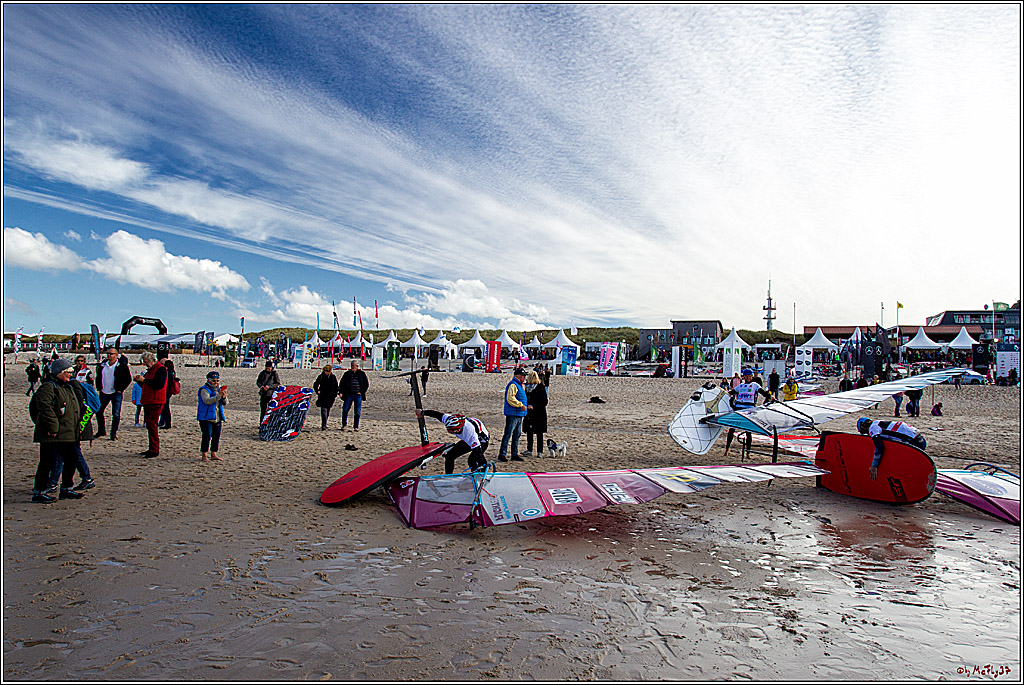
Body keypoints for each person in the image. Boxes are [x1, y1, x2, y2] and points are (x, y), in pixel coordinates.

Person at [30, 359, 86, 503]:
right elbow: (44, 408)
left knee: (71, 460)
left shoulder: (68, 387)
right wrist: (53, 427)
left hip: (68, 433)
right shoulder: (48, 387)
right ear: (59, 372)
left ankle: (66, 488)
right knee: (47, 462)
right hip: (52, 434)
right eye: (68, 372)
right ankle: (39, 492)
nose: (71, 374)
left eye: (72, 372)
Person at [418, 409, 489, 474]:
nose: (448, 431)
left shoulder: (469, 432)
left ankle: (479, 475)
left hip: (482, 440)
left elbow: (478, 451)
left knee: (473, 459)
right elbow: (437, 415)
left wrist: (483, 464)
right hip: (467, 438)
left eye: (450, 430)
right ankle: (448, 476)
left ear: (458, 429)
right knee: (449, 456)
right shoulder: (449, 419)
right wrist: (422, 412)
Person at [857, 417, 927, 480]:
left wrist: (874, 466)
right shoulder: (878, 422)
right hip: (921, 439)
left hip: (914, 443)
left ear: (863, 426)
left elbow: (879, 447)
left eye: (863, 432)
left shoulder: (873, 428)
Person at [134, 352, 168, 458]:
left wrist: (144, 380)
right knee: (149, 424)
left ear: (152, 360)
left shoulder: (160, 369)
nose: (145, 363)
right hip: (148, 400)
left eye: (146, 361)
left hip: (156, 400)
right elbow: (147, 384)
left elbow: (159, 384)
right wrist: (140, 381)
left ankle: (154, 449)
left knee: (152, 424)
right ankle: (152, 448)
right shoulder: (150, 370)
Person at [94, 347, 132, 440]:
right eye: (108, 354)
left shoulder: (121, 366)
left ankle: (113, 433)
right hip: (104, 392)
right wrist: (99, 387)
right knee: (99, 411)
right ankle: (101, 430)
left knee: (116, 414)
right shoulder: (103, 365)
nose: (109, 355)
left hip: (116, 392)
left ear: (116, 355)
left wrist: (121, 389)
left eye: (111, 354)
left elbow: (128, 379)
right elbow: (98, 376)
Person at [497, 367, 528, 463]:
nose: (524, 378)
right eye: (523, 376)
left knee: (517, 435)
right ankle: (502, 454)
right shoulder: (513, 385)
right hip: (513, 413)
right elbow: (510, 398)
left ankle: (514, 454)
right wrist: (520, 405)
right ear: (518, 376)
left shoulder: (519, 385)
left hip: (519, 413)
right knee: (508, 434)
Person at [197, 371, 228, 461]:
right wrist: (218, 396)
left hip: (217, 416)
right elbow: (207, 401)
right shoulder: (204, 389)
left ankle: (213, 453)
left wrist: (223, 397)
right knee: (206, 436)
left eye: (217, 380)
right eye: (214, 381)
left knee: (216, 436)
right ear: (208, 380)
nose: (216, 383)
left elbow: (225, 403)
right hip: (206, 417)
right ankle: (204, 454)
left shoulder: (219, 390)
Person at [523, 370, 548, 458]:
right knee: (530, 432)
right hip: (531, 413)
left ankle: (538, 451)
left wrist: (533, 406)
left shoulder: (540, 387)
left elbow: (544, 401)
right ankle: (531, 450)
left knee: (538, 432)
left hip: (538, 413)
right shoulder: (527, 388)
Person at [338, 360, 368, 431]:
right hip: (349, 394)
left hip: (358, 395)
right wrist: (341, 392)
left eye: (354, 366)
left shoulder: (361, 374)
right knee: (345, 410)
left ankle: (356, 426)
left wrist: (362, 392)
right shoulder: (347, 374)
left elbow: (366, 384)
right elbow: (342, 383)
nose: (352, 367)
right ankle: (344, 425)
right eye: (352, 365)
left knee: (357, 412)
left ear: (357, 366)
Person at [313, 363, 340, 430]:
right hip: (323, 395)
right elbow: (315, 384)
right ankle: (323, 425)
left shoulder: (333, 377)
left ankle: (325, 423)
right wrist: (317, 391)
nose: (325, 372)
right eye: (325, 371)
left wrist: (335, 394)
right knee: (323, 410)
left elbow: (336, 386)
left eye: (327, 371)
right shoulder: (321, 376)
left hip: (330, 396)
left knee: (327, 410)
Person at [158, 359, 178, 429]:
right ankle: (164, 422)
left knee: (165, 409)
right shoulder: (172, 372)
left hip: (166, 392)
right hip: (168, 392)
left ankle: (166, 423)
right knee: (165, 408)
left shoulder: (168, 373)